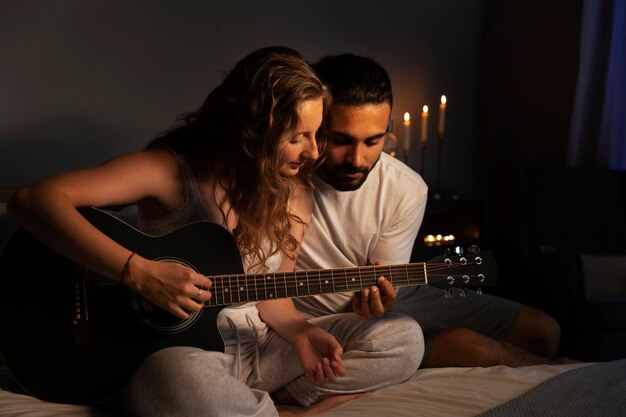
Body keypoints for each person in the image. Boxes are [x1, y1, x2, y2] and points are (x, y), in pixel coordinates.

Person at [7, 47, 424, 416]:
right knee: (182, 384)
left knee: (403, 339)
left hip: (258, 348)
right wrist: (137, 272)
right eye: (298, 136)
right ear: (255, 129)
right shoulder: (170, 172)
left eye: (316, 135)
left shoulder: (293, 190)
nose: (314, 152)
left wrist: (300, 332)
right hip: (180, 355)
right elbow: (33, 200)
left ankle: (262, 404)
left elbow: (272, 292)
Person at [293, 52, 566, 368]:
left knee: (544, 332)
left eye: (373, 141)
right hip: (321, 316)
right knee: (475, 350)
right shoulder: (284, 172)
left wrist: (382, 299)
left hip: (374, 303)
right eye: (342, 140)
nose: (357, 159)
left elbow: (383, 283)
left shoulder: (405, 189)